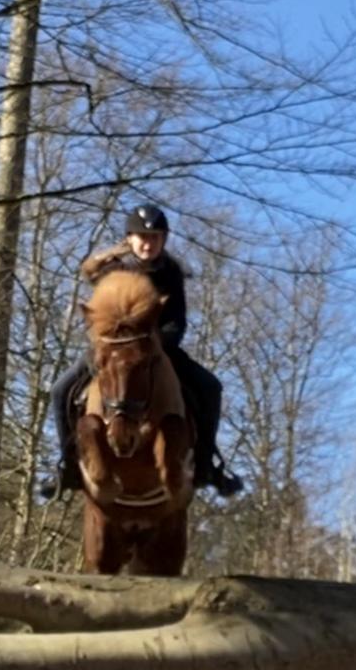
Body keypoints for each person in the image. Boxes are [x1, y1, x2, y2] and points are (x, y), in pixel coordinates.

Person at [40, 204, 244, 500]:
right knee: (60, 390)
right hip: (111, 351)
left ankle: (206, 464)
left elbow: (177, 321)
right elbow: (96, 314)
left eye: (155, 237)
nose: (148, 243)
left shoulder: (171, 271)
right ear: (130, 239)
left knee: (210, 387)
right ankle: (67, 465)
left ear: (164, 239)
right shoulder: (113, 269)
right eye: (142, 237)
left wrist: (155, 345)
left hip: (159, 350)